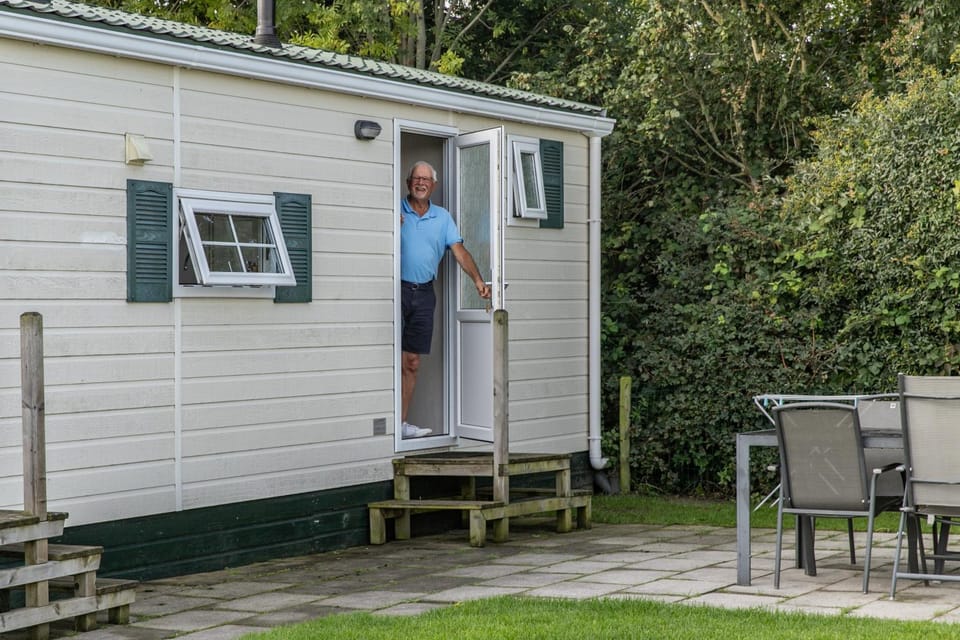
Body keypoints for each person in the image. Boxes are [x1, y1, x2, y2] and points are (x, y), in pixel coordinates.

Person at [400, 161, 491, 437]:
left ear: (434, 186)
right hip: (395, 290)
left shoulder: (442, 217)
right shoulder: (395, 212)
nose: (421, 183)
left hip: (425, 292)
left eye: (426, 179)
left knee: (412, 360)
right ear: (408, 183)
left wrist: (477, 280)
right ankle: (385, 422)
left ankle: (400, 425)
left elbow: (459, 251)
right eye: (416, 178)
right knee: (387, 357)